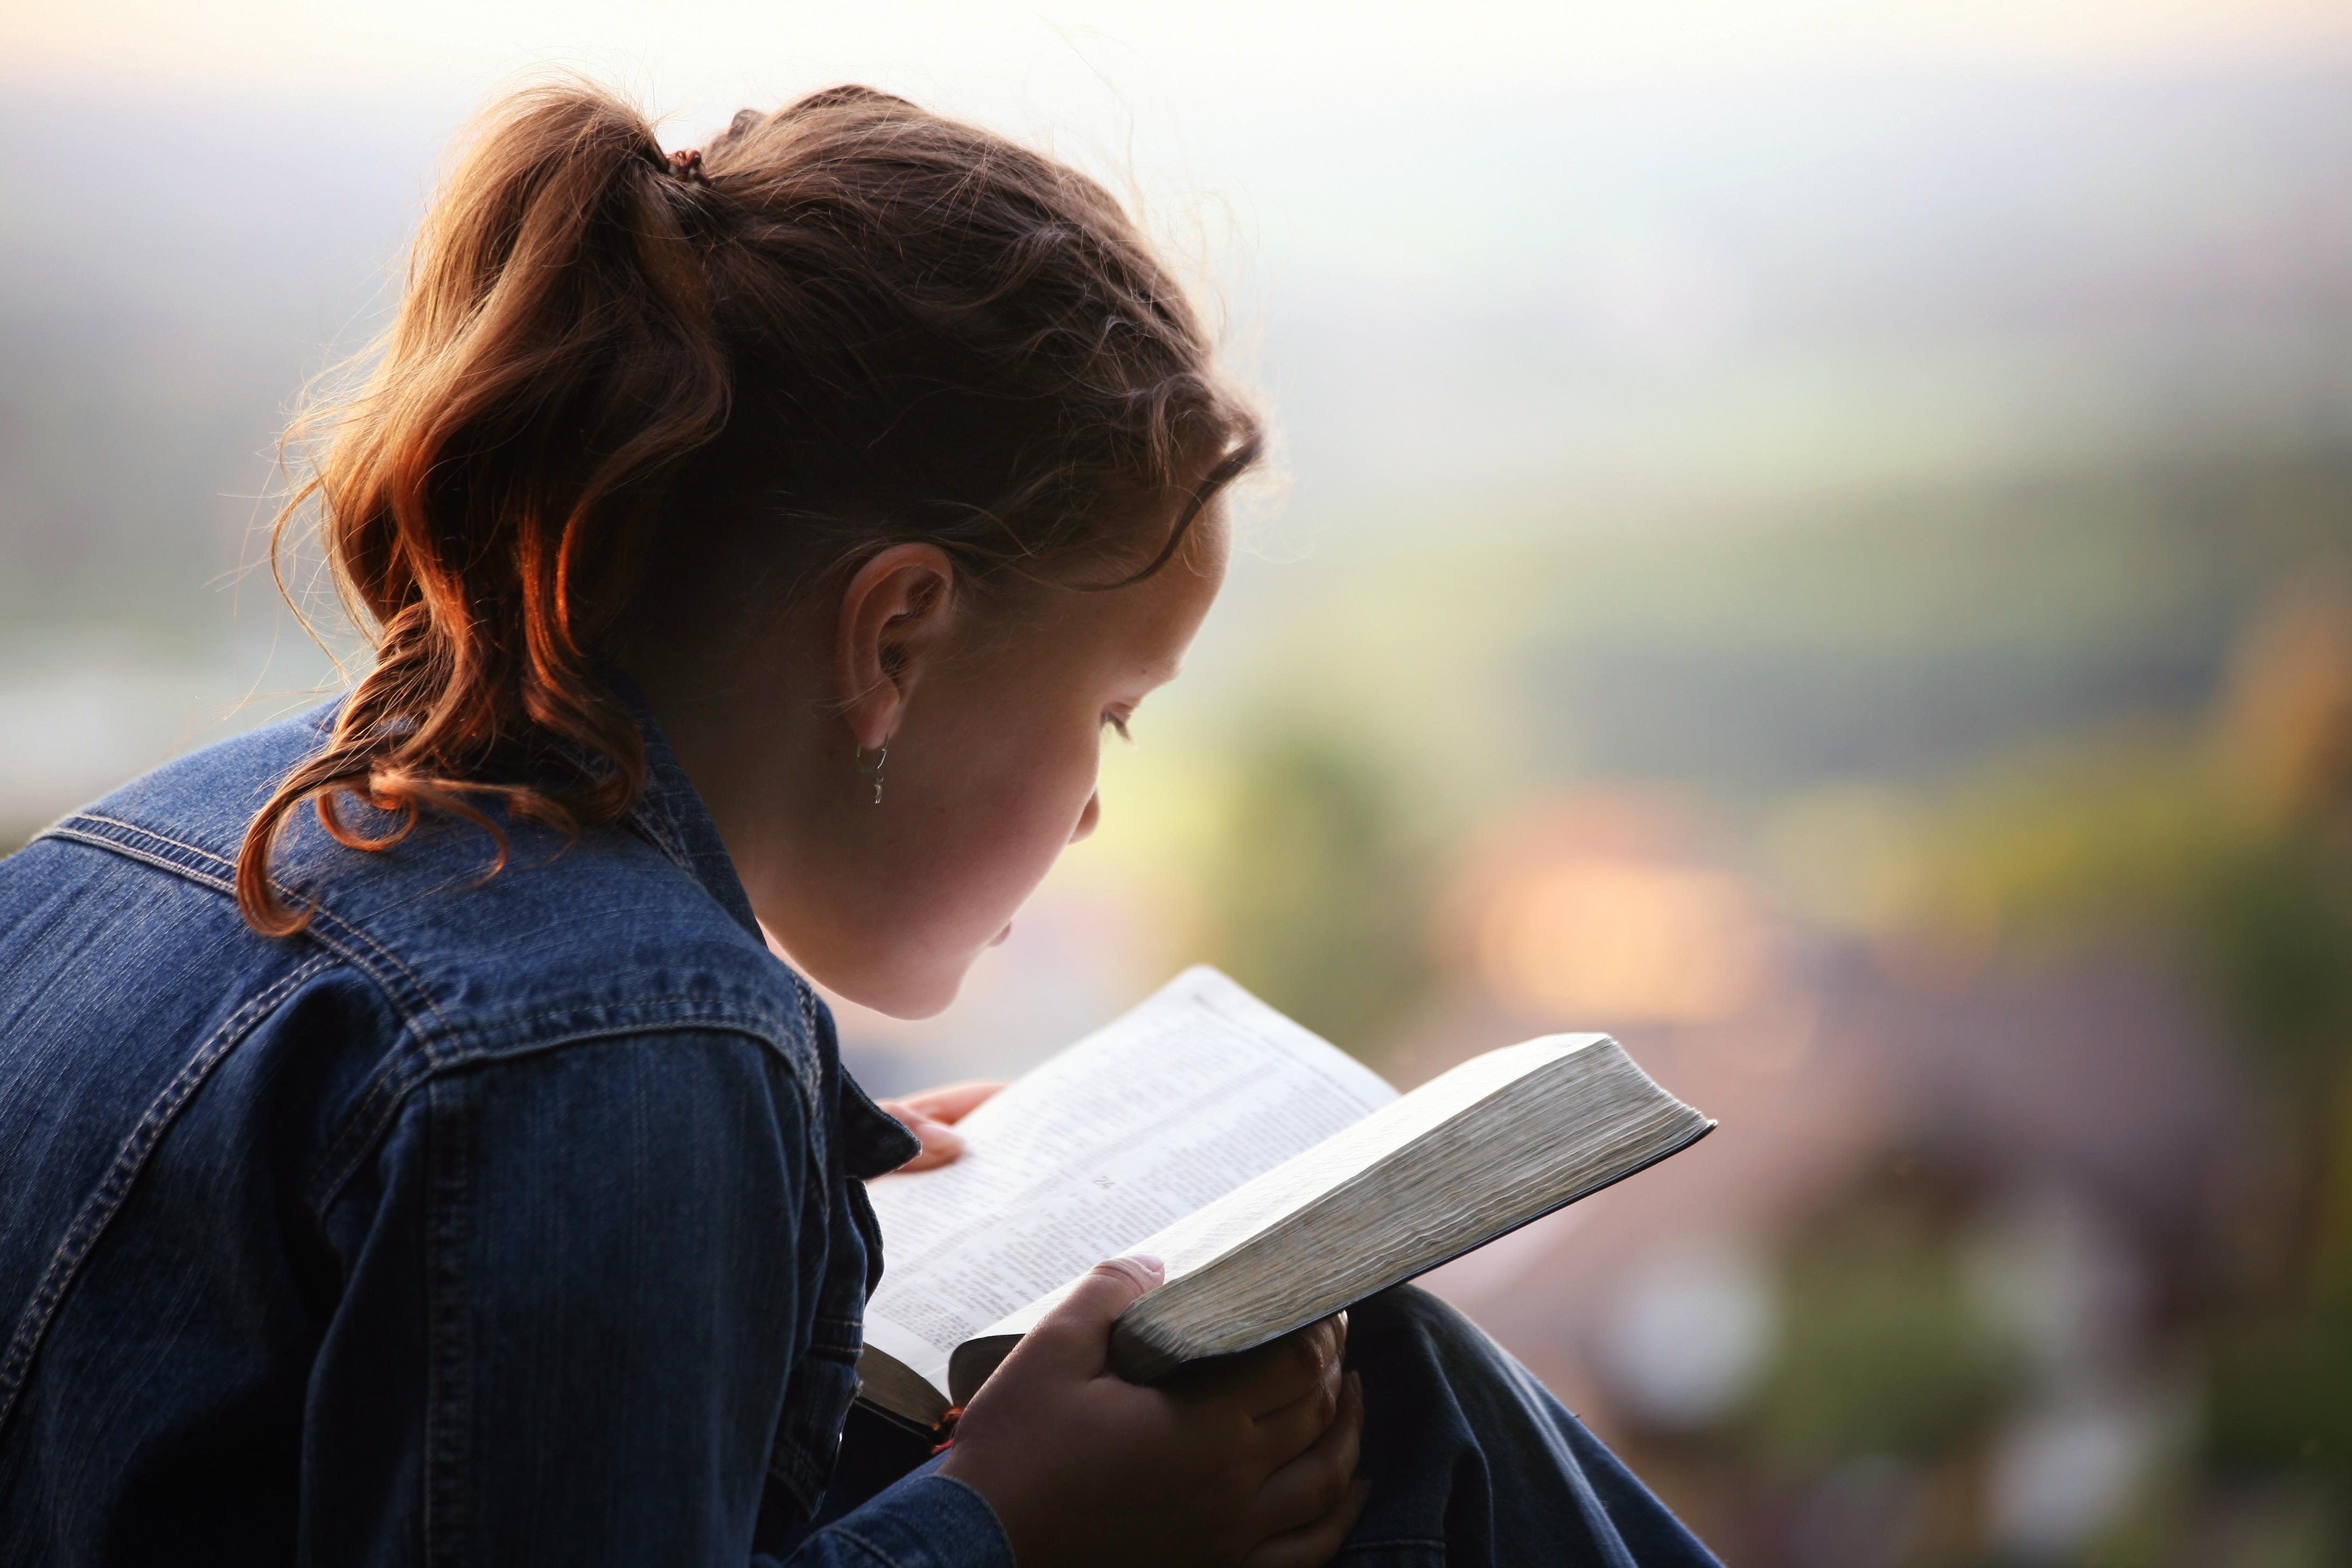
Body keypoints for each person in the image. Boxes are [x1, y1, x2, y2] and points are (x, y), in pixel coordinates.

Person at [0, 82, 1720, 1567]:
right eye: (1108, 707)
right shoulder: (630, 1042)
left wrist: (817, 1186)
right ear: (894, 639)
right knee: (1367, 1381)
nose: (1106, 795)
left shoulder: (126, 853)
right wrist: (1017, 1525)